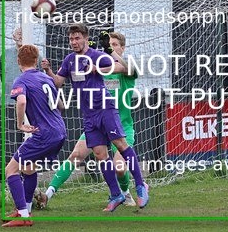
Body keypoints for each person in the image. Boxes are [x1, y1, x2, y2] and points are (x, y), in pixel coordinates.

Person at [43, 24, 149, 211]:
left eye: (77, 38)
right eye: (71, 39)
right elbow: (58, 82)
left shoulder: (98, 56)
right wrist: (49, 71)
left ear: (85, 38)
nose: (74, 42)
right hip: (89, 115)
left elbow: (122, 68)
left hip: (105, 109)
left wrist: (101, 65)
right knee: (100, 154)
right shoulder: (69, 60)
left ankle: (140, 186)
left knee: (120, 149)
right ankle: (116, 194)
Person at [2, 44, 67, 227]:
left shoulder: (21, 80)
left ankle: (23, 216)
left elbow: (21, 101)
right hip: (60, 131)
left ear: (18, 61)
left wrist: (20, 124)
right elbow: (61, 105)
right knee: (28, 167)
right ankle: (26, 208)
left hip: (43, 134)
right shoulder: (46, 79)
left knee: (11, 170)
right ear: (37, 60)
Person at [0, 27, 24, 183]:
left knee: (24, 138)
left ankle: (22, 170)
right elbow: (2, 76)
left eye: (23, 33)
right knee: (5, 138)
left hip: (27, 104)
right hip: (6, 101)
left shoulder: (35, 55)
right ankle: (3, 171)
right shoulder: (6, 54)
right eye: (18, 33)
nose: (20, 36)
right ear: (13, 36)